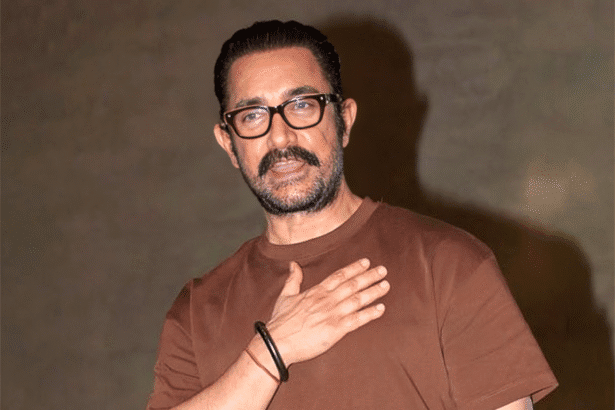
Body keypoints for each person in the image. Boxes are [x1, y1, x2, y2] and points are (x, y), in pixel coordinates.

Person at [147, 20, 557, 410]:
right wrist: (271, 351)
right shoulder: (196, 311)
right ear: (228, 143)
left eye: (302, 105)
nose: (280, 136)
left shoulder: (449, 264)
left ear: (344, 120)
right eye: (252, 115)